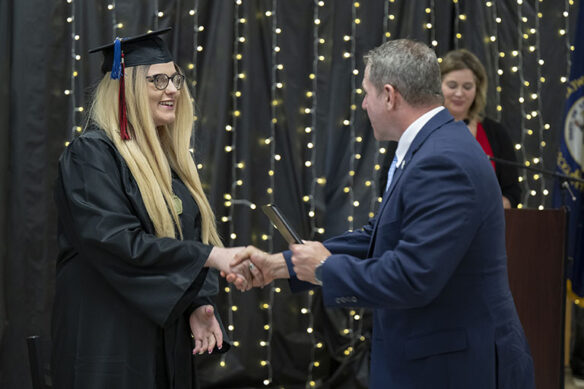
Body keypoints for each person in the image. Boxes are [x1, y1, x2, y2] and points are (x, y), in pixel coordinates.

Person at [230, 39, 535, 388]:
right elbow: (378, 236)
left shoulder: (442, 160)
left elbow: (412, 276)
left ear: (389, 95)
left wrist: (327, 269)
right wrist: (282, 265)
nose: (363, 104)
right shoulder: (430, 146)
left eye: (366, 93)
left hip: (451, 368)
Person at [52, 28, 253, 388]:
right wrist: (210, 257)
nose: (173, 89)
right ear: (125, 89)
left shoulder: (168, 161)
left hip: (163, 332)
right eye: (158, 80)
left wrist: (198, 303)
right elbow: (115, 240)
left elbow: (192, 231)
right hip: (109, 337)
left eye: (175, 78)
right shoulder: (91, 155)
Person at [440, 49, 522, 208]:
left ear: (477, 89)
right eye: (452, 85)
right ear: (439, 86)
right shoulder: (420, 127)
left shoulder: (496, 133)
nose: (459, 93)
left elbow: (512, 193)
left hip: (484, 226)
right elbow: (388, 183)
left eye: (467, 87)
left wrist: (487, 208)